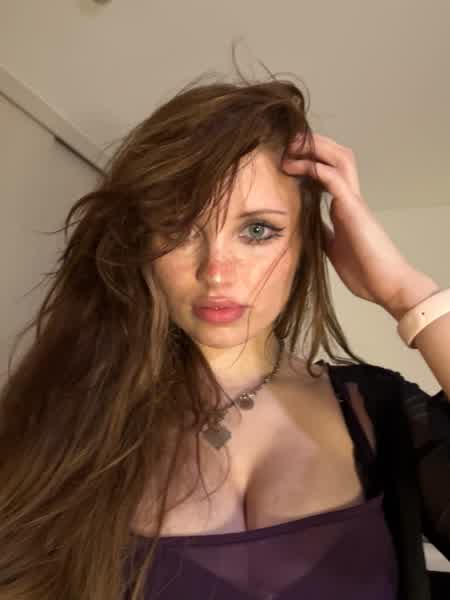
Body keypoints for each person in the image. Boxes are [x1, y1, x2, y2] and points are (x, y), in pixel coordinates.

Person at [1, 58, 450, 600]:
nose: (216, 271)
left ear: (305, 244)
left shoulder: (380, 411)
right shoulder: (69, 418)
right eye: (179, 228)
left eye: (257, 230)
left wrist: (408, 294)